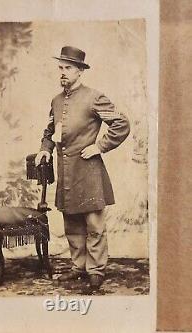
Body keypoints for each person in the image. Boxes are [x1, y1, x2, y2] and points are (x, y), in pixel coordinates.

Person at [35, 46, 130, 290]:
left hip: (88, 171)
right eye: (61, 68)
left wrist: (101, 146)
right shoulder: (56, 101)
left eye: (68, 68)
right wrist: (45, 148)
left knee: (94, 224)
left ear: (80, 71)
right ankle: (78, 267)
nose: (63, 73)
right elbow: (49, 131)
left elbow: (121, 123)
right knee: (72, 223)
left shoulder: (94, 97)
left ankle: (96, 270)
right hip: (66, 172)